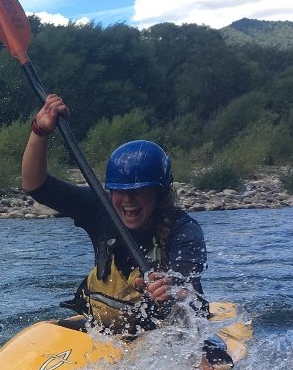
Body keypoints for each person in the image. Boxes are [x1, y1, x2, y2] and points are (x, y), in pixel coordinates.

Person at [22, 93, 207, 335]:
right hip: (106, 328)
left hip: (162, 331)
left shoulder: (184, 230)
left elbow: (188, 293)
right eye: (120, 191)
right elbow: (36, 186)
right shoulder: (101, 207)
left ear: (158, 194)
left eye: (139, 192)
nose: (128, 201)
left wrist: (170, 291)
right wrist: (40, 131)